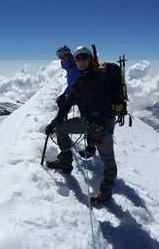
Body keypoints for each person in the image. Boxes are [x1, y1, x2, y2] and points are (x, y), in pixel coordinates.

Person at [45, 46, 118, 204]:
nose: (81, 61)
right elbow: (67, 106)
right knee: (61, 129)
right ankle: (65, 162)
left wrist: (97, 128)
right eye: (78, 59)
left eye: (84, 57)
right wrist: (54, 123)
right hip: (88, 123)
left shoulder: (101, 78)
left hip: (103, 124)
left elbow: (105, 107)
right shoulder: (78, 83)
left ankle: (105, 192)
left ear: (90, 59)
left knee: (108, 159)